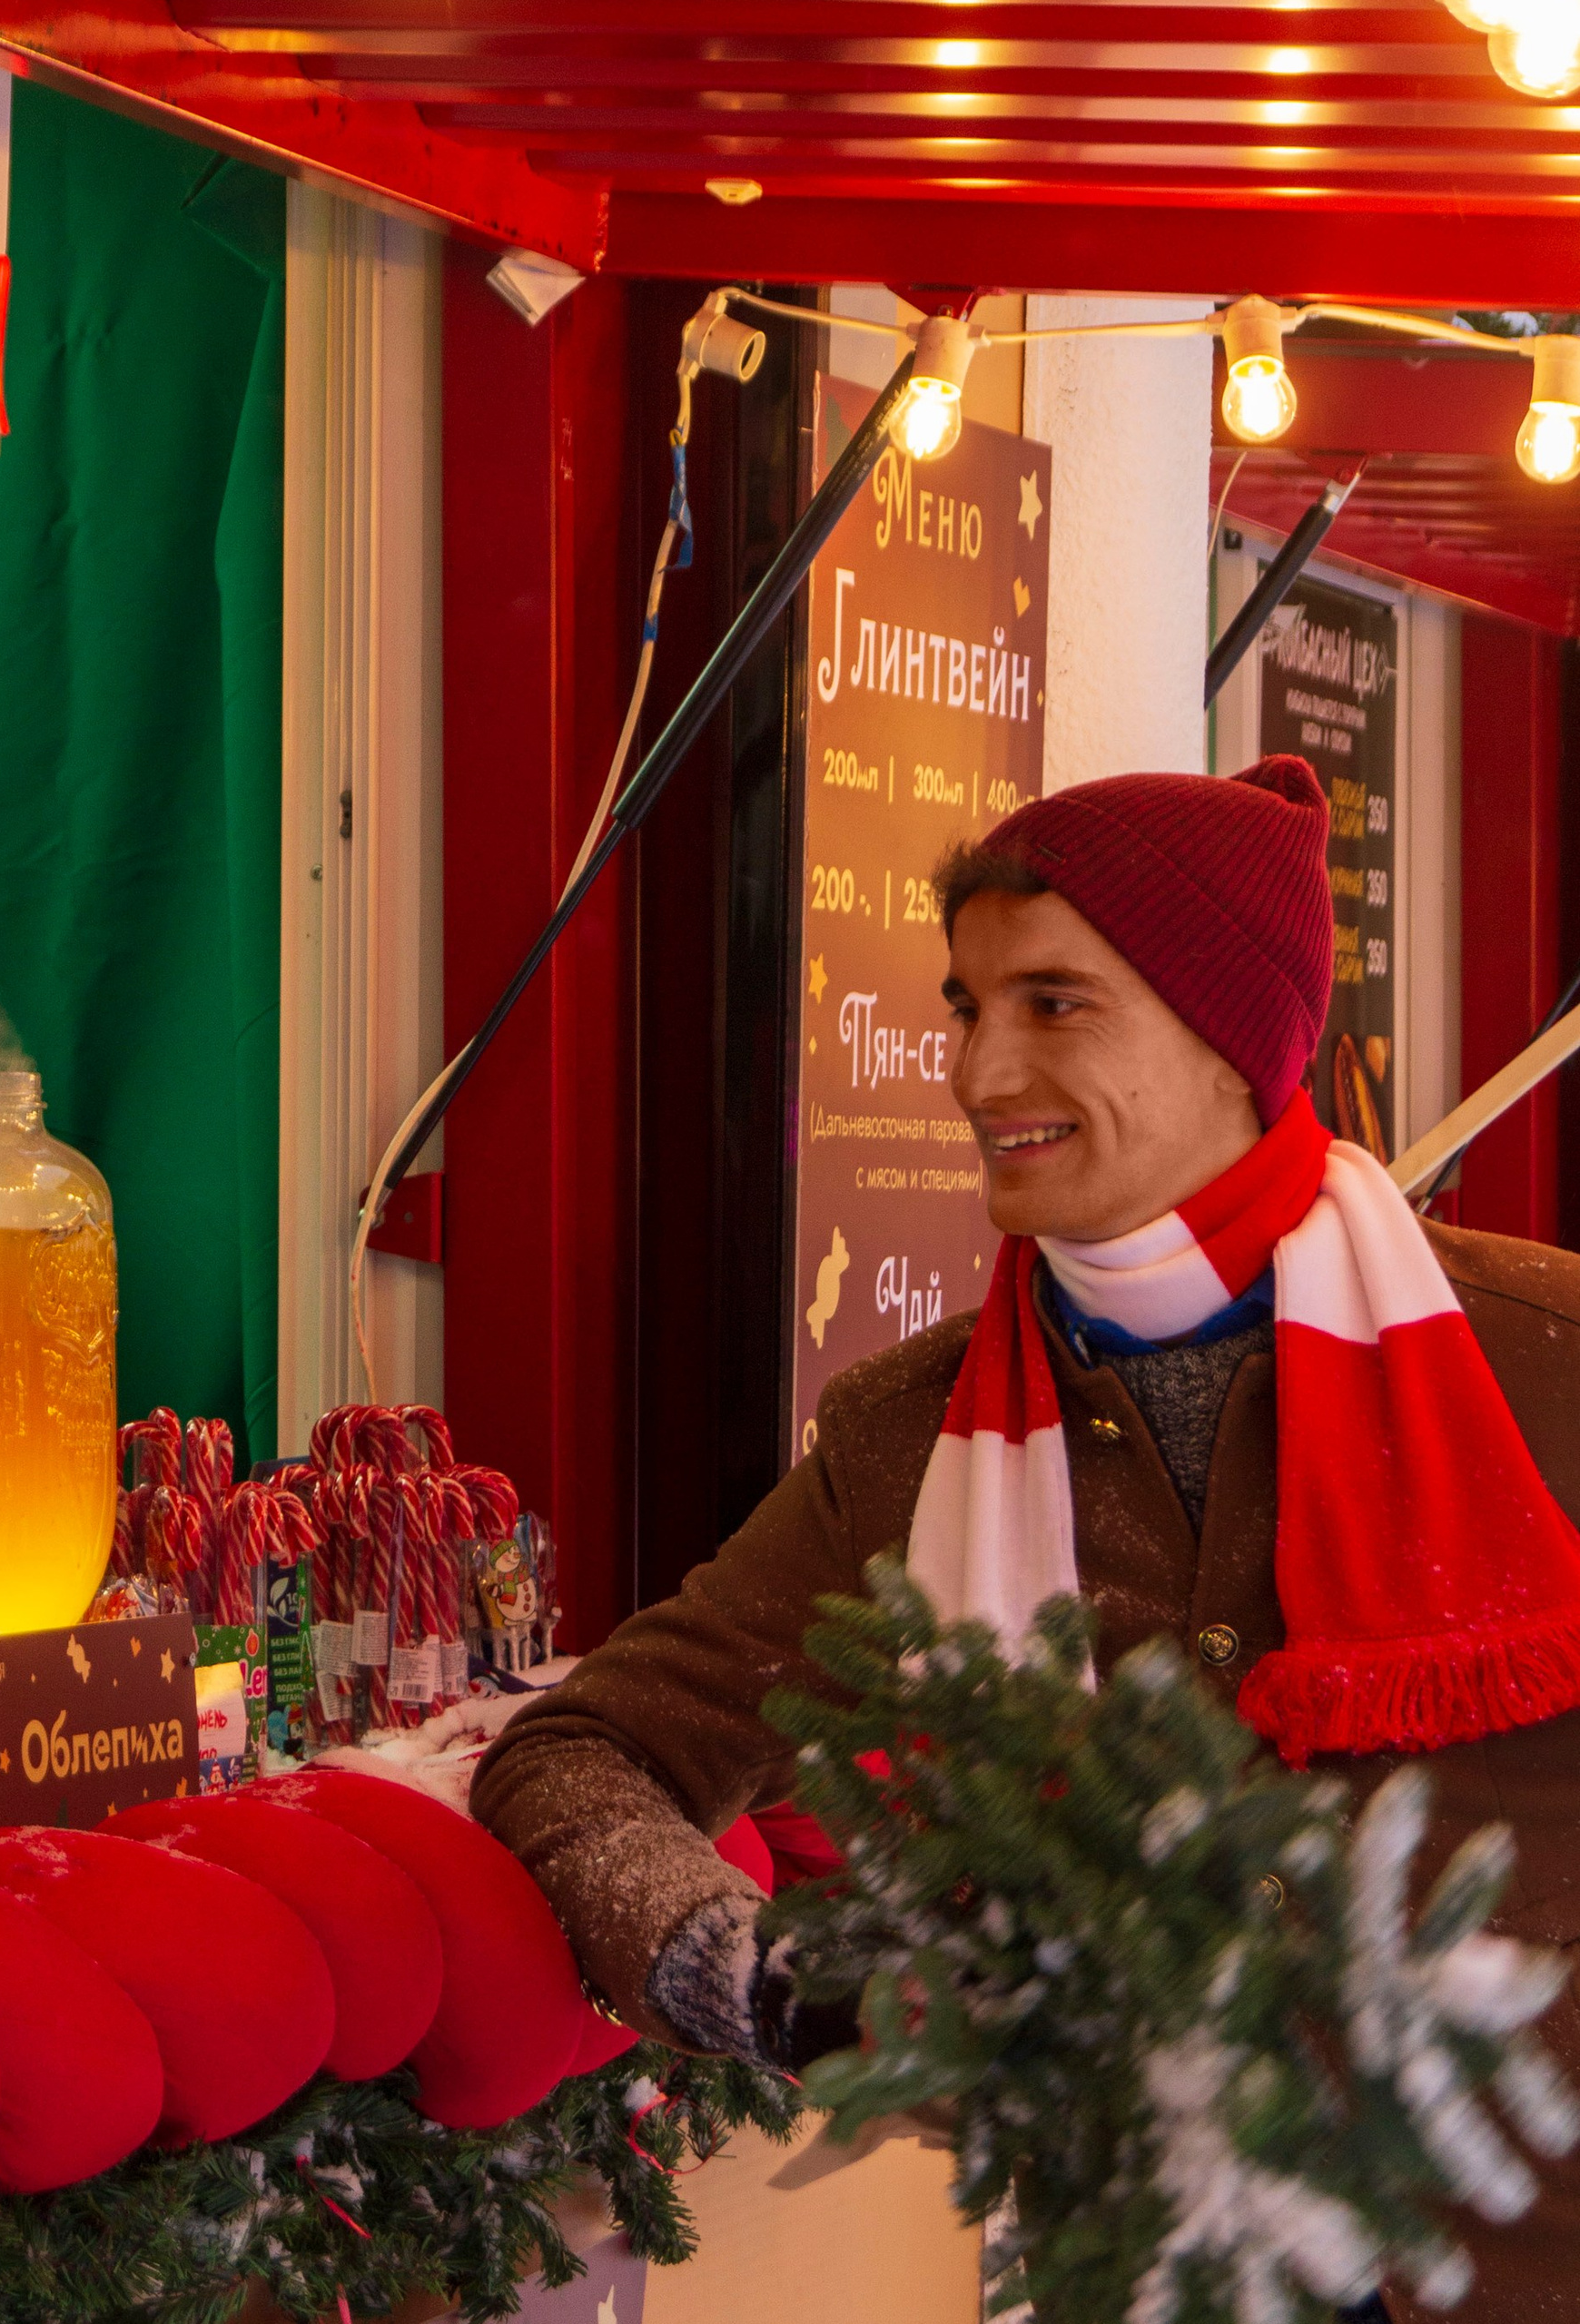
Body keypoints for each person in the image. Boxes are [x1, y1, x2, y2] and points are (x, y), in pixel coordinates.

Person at [470, 755, 1580, 2323]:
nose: (983, 1070)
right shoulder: (904, 1443)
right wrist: (795, 1992)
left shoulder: (1544, 1360)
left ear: (1234, 1040)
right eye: (966, 1005)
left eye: (1055, 1004)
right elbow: (580, 1754)